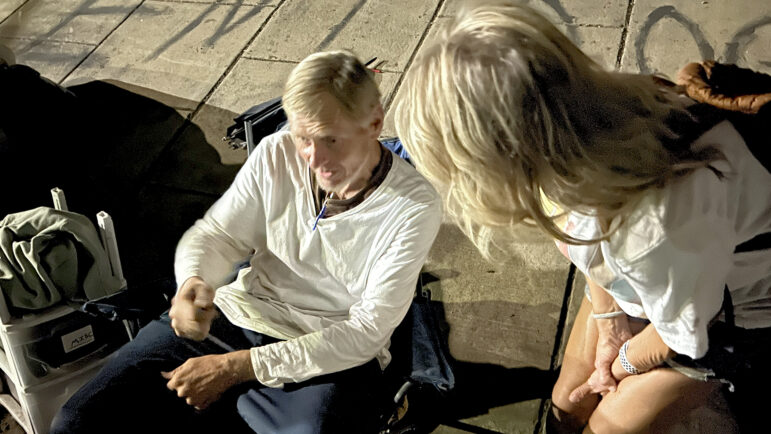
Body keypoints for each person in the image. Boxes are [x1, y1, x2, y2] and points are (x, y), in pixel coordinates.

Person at [393, 1, 771, 433]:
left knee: (606, 426)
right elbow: (588, 247)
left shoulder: (655, 222)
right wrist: (610, 325)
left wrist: (619, 365)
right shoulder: (581, 122)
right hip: (662, 279)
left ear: (509, 156)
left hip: (731, 310)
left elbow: (682, 332)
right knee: (565, 405)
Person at [51, 50, 442, 434]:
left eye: (331, 140)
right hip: (241, 315)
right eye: (304, 138)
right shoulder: (277, 152)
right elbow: (218, 234)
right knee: (78, 420)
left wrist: (236, 368)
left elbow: (365, 333)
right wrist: (194, 282)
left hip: (329, 351)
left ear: (374, 123)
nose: (315, 159)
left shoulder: (414, 207)